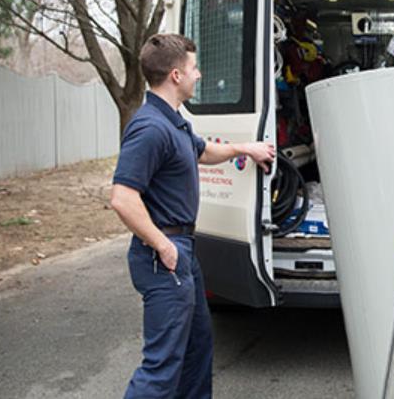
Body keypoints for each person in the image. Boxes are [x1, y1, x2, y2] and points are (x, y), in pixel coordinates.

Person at [110, 34, 275, 399]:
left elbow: (202, 152)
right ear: (175, 76)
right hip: (163, 256)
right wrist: (163, 245)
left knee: (197, 350)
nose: (198, 75)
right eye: (192, 68)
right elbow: (122, 198)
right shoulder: (150, 128)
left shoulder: (173, 122)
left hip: (181, 251)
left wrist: (245, 148)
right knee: (162, 367)